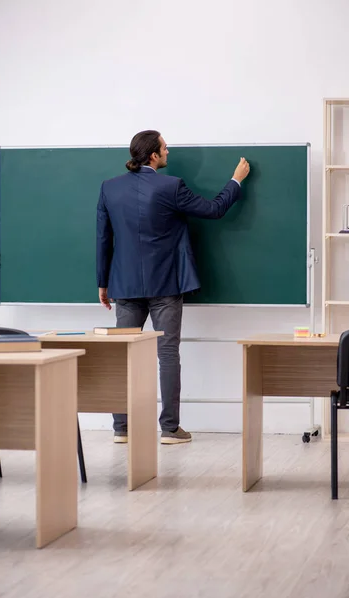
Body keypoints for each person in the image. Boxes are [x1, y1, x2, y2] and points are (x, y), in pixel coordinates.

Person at [96, 130, 250, 444]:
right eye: (165, 147)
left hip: (123, 284)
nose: (168, 151)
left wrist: (103, 282)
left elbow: (103, 239)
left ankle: (121, 429)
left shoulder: (109, 188)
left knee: (123, 355)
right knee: (167, 355)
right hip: (165, 283)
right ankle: (169, 429)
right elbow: (213, 210)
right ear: (153, 155)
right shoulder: (171, 186)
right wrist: (235, 181)